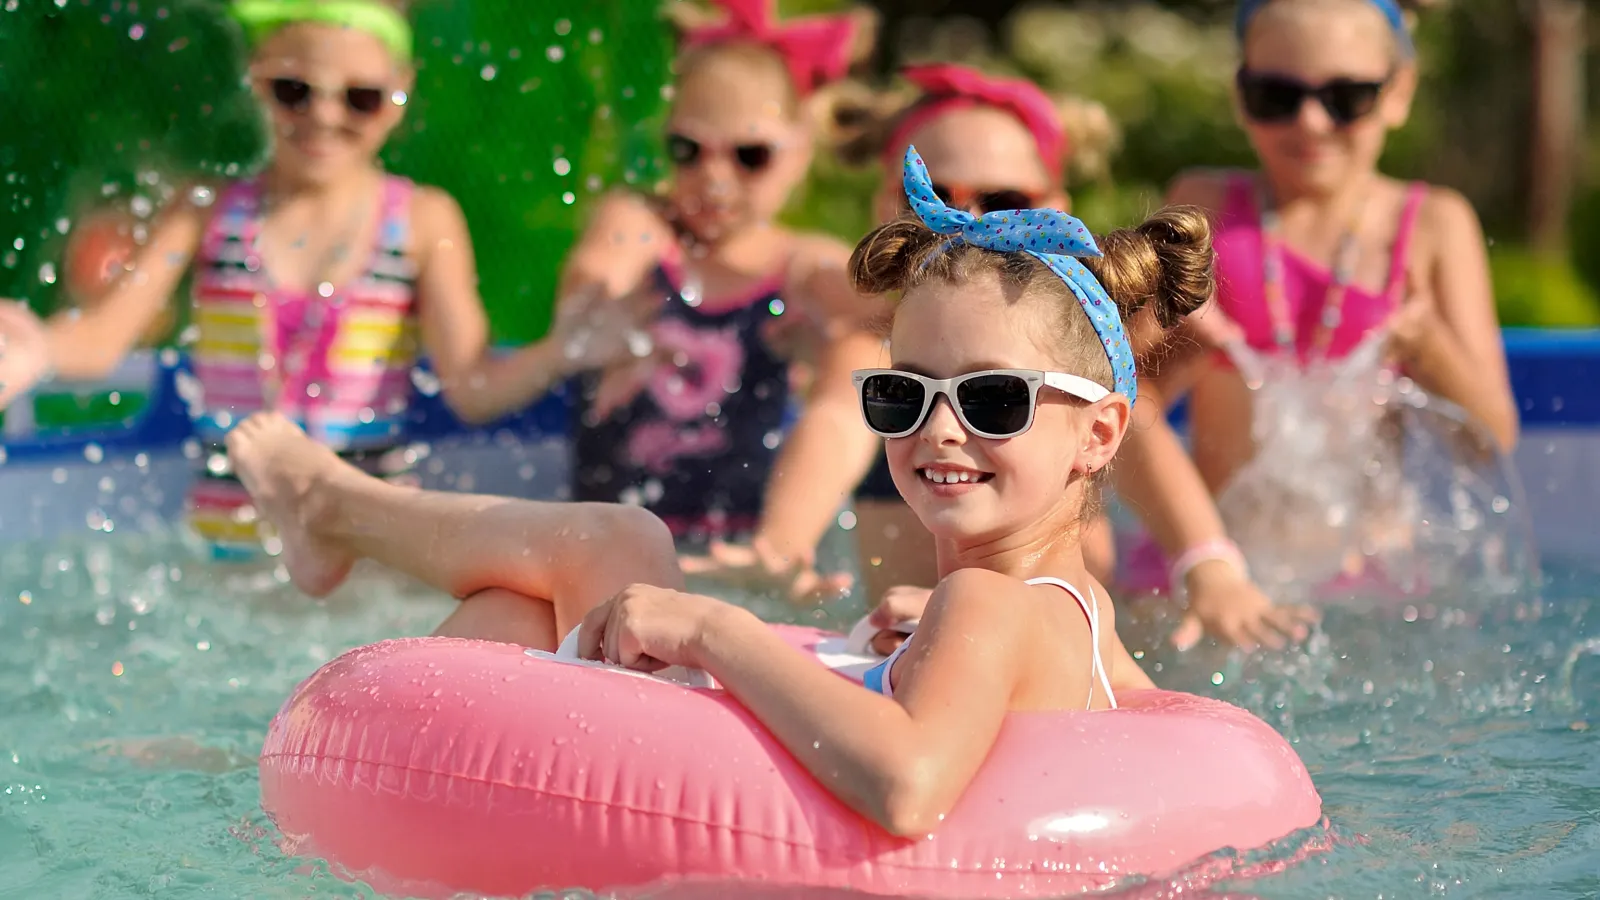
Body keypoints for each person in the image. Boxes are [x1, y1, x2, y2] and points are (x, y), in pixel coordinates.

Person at [224, 147, 1206, 831]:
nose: (937, 428)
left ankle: (334, 510)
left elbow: (908, 787)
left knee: (617, 548)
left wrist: (711, 632)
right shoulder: (1069, 613)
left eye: (992, 399)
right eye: (902, 394)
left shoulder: (985, 605)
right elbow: (1143, 717)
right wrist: (940, 652)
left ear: (1099, 432)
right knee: (516, 613)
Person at [0, 0, 584, 557]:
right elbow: (101, 340)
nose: (324, 117)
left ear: (400, 91)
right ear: (255, 80)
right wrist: (35, 346)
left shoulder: (422, 221)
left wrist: (566, 349)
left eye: (360, 98)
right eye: (293, 91)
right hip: (230, 549)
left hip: (374, 550)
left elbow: (473, 388)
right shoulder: (204, 213)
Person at [1145, 0, 1520, 605]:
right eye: (1276, 95)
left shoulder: (1432, 226)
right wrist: (1183, 353)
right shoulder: (1203, 207)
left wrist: (1431, 350)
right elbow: (1128, 407)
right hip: (1215, 563)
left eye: (1347, 98)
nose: (1311, 123)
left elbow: (1492, 438)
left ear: (1398, 95)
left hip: (1370, 576)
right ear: (1240, 94)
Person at [543, 0, 887, 602]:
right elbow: (597, 273)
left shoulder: (799, 263)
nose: (716, 177)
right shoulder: (642, 226)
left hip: (731, 552)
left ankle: (781, 548)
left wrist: (844, 323)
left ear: (800, 152)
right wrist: (607, 302)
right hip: (608, 544)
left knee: (862, 367)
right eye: (688, 151)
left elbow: (866, 314)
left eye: (750, 156)